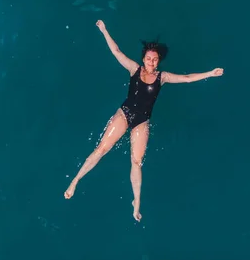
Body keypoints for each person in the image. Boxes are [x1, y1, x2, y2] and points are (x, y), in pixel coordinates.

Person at [64, 20, 224, 222]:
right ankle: (76, 181)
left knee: (136, 162)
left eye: (155, 60)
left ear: (158, 61)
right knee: (102, 149)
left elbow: (187, 78)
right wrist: (104, 30)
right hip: (125, 113)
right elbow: (116, 52)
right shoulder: (134, 69)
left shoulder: (162, 77)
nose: (151, 62)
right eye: (149, 59)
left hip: (141, 121)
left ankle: (136, 203)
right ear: (144, 58)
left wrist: (210, 73)